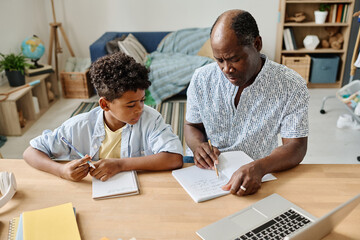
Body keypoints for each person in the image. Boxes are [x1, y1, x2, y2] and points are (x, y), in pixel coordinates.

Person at [185, 10, 309, 196]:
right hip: (207, 175)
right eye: (219, 60)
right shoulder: (201, 79)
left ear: (257, 44)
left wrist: (260, 167)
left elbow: (296, 146)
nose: (227, 69)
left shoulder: (291, 85)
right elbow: (191, 125)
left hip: (260, 174)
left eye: (235, 59)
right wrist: (198, 147)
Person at [23, 52, 183, 182]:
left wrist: (120, 165)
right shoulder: (78, 126)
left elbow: (174, 158)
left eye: (142, 100)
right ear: (105, 104)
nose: (140, 109)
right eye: (131, 105)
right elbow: (30, 152)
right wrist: (61, 170)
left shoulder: (150, 119)